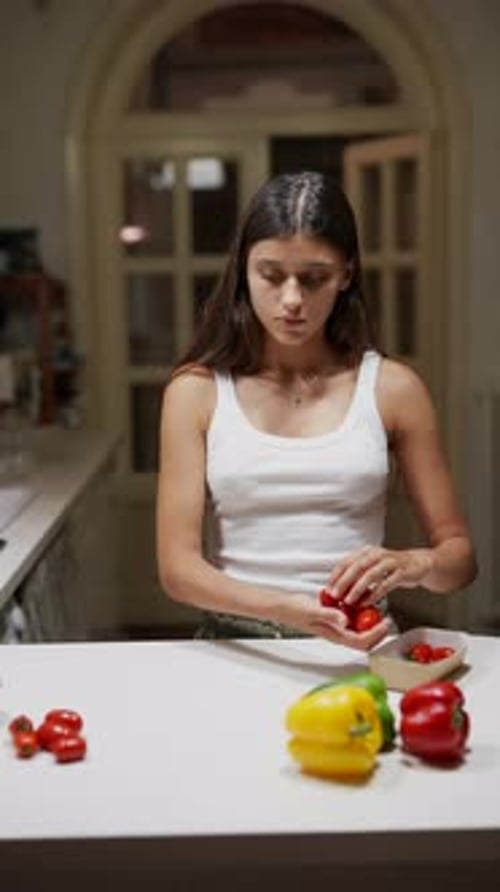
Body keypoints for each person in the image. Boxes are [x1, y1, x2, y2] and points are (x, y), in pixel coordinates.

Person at [156, 170, 477, 650]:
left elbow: (460, 561)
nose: (291, 300)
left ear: (346, 275)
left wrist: (418, 564)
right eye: (271, 274)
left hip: (361, 646)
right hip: (234, 647)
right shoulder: (196, 391)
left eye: (314, 279)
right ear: (243, 269)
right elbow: (178, 570)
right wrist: (288, 610)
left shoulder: (393, 388)